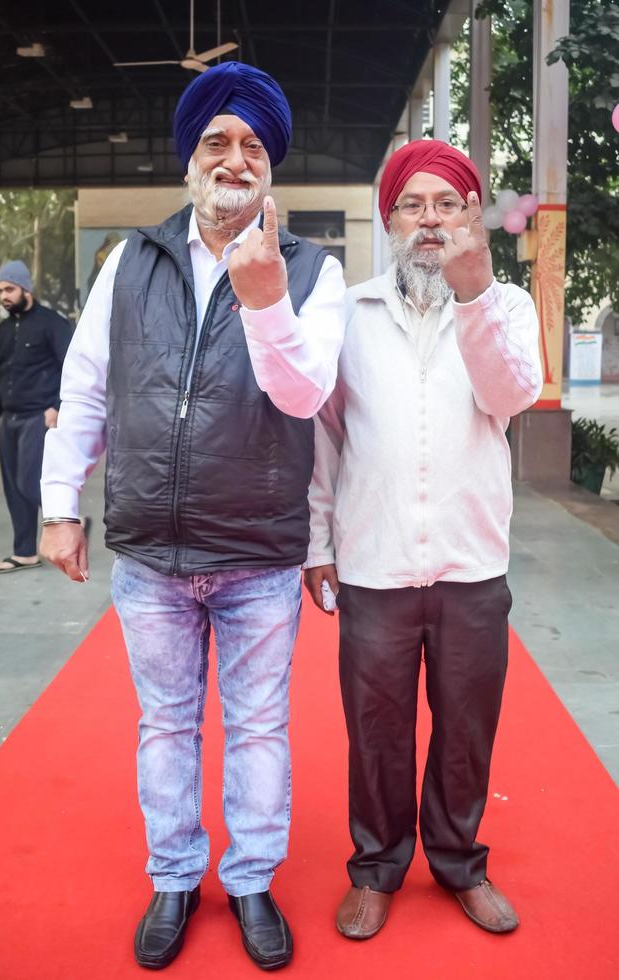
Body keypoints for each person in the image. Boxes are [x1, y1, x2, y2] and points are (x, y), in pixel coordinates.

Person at [40, 62, 345, 971]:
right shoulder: (132, 261)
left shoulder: (310, 271)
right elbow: (87, 385)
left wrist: (264, 304)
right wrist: (60, 506)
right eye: (217, 140)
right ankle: (175, 874)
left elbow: (304, 397)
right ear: (190, 159)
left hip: (256, 551)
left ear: (271, 165)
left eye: (253, 144)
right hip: (149, 554)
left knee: (258, 727)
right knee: (166, 725)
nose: (234, 156)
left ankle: (251, 880)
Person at [304, 139, 542, 940]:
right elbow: (324, 438)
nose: (431, 219)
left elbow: (510, 396)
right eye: (415, 204)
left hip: (472, 560)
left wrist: (473, 299)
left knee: (466, 726)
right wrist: (317, 542)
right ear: (392, 219)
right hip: (373, 560)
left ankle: (458, 862)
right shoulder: (352, 313)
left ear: (474, 218)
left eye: (449, 204)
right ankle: (375, 869)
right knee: (376, 730)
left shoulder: (505, 305)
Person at [0, 260, 73, 574]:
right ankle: (24, 553)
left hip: (39, 417)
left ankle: (68, 521)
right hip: (9, 418)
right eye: (0, 291)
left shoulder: (53, 324)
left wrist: (57, 406)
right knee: (13, 487)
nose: (4, 296)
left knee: (28, 481)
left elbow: (73, 367)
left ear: (25, 288)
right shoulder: (4, 329)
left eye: (9, 289)